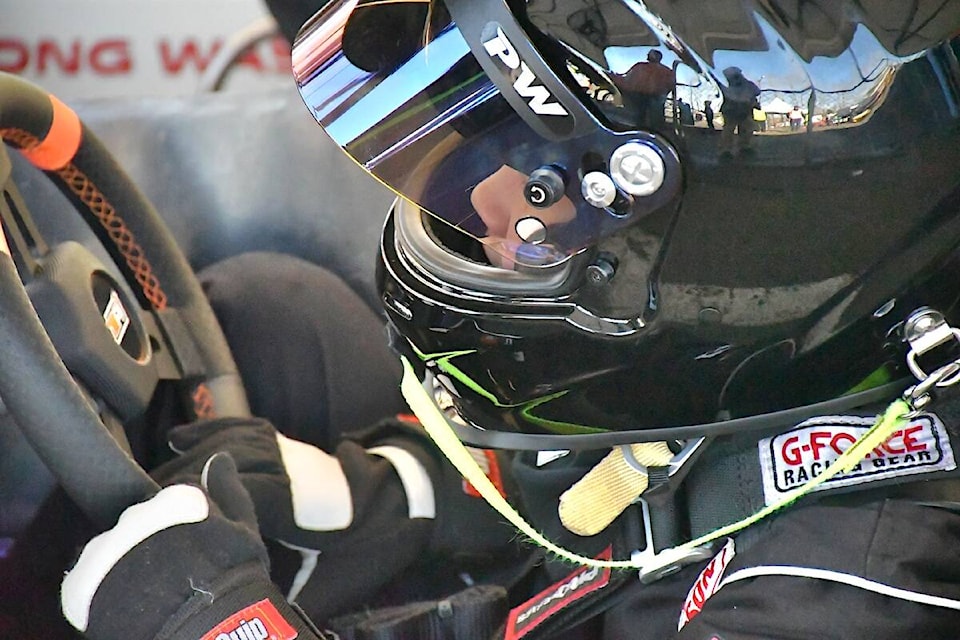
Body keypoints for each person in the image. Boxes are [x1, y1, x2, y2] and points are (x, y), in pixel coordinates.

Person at [62, 2, 960, 639]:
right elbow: (585, 560)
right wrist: (396, 498)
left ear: (723, 251)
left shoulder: (846, 596)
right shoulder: (752, 415)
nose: (488, 222)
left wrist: (217, 626)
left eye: (544, 195)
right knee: (275, 318)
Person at [612, 49, 676, 130]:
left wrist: (613, 77)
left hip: (640, 99)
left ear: (653, 56)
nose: (647, 55)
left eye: (649, 54)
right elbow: (671, 85)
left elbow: (627, 82)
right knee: (655, 123)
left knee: (639, 119)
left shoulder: (641, 67)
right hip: (656, 101)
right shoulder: (667, 71)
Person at [718, 66, 761, 157]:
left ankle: (743, 146)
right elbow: (756, 91)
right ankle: (727, 149)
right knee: (729, 129)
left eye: (737, 76)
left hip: (743, 108)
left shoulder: (747, 84)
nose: (736, 78)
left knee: (746, 128)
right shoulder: (725, 85)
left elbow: (756, 91)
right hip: (731, 109)